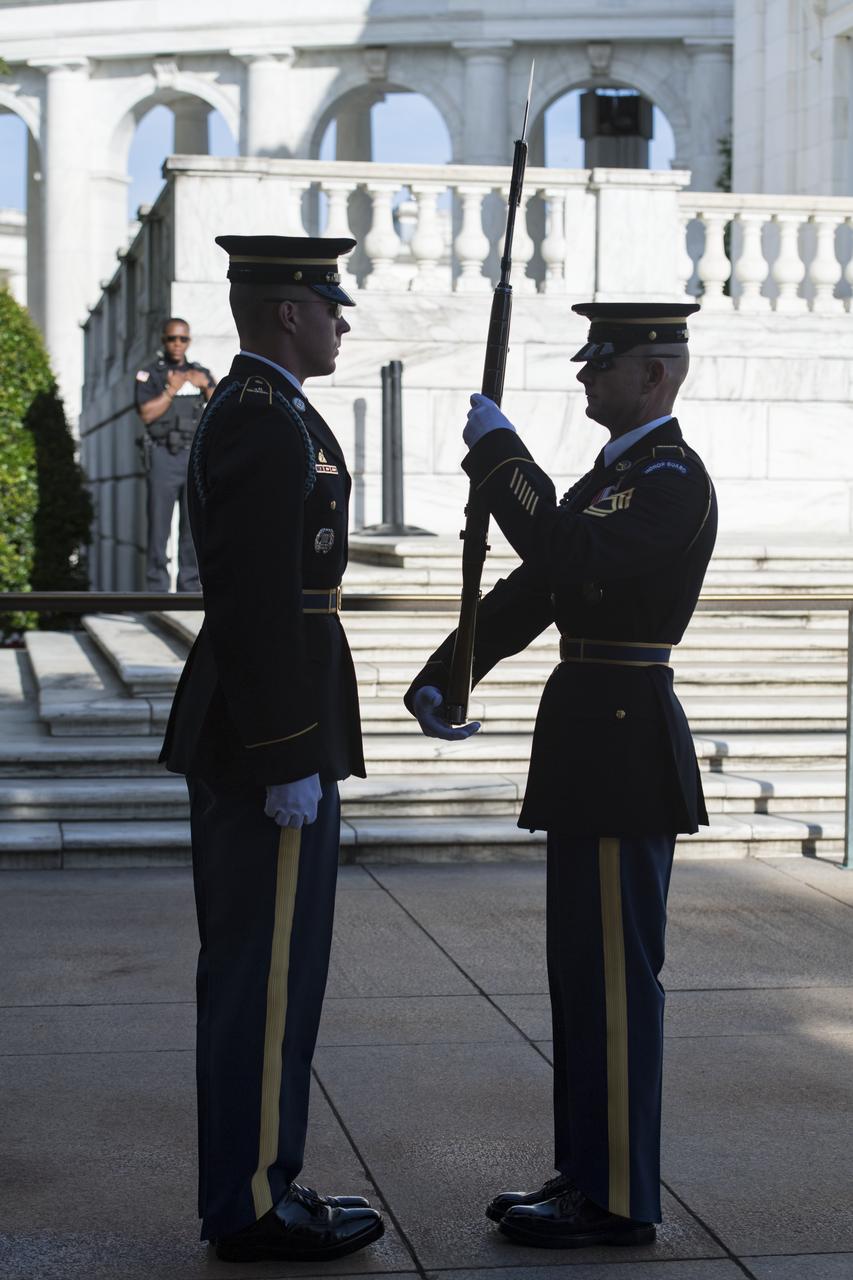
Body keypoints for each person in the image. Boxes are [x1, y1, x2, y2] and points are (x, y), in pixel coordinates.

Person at [405, 302, 717, 1250]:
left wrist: (500, 458)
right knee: (579, 975)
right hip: (588, 742)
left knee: (616, 980)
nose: (585, 378)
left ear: (655, 376)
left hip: (625, 746)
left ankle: (619, 1195)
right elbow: (533, 592)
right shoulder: (614, 473)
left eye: (602, 365)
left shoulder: (670, 480)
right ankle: (585, 1169)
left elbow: (562, 551)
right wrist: (448, 670)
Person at [159, 236, 383, 1264]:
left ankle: (263, 1179)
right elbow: (254, 601)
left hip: (274, 720)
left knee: (271, 969)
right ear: (287, 310)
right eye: (329, 303)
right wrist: (288, 753)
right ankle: (253, 1200)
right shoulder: (262, 419)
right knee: (265, 974)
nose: (342, 319)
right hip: (267, 736)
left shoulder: (270, 409)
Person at [134, 317, 215, 592]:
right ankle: (156, 588)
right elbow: (146, 414)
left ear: (189, 341)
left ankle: (189, 586)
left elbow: (220, 406)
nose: (177, 344)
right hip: (163, 457)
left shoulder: (199, 372)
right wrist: (171, 389)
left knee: (192, 528)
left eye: (183, 339)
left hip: (193, 457)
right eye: (172, 339)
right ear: (163, 341)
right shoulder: (151, 374)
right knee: (159, 527)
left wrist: (205, 386)